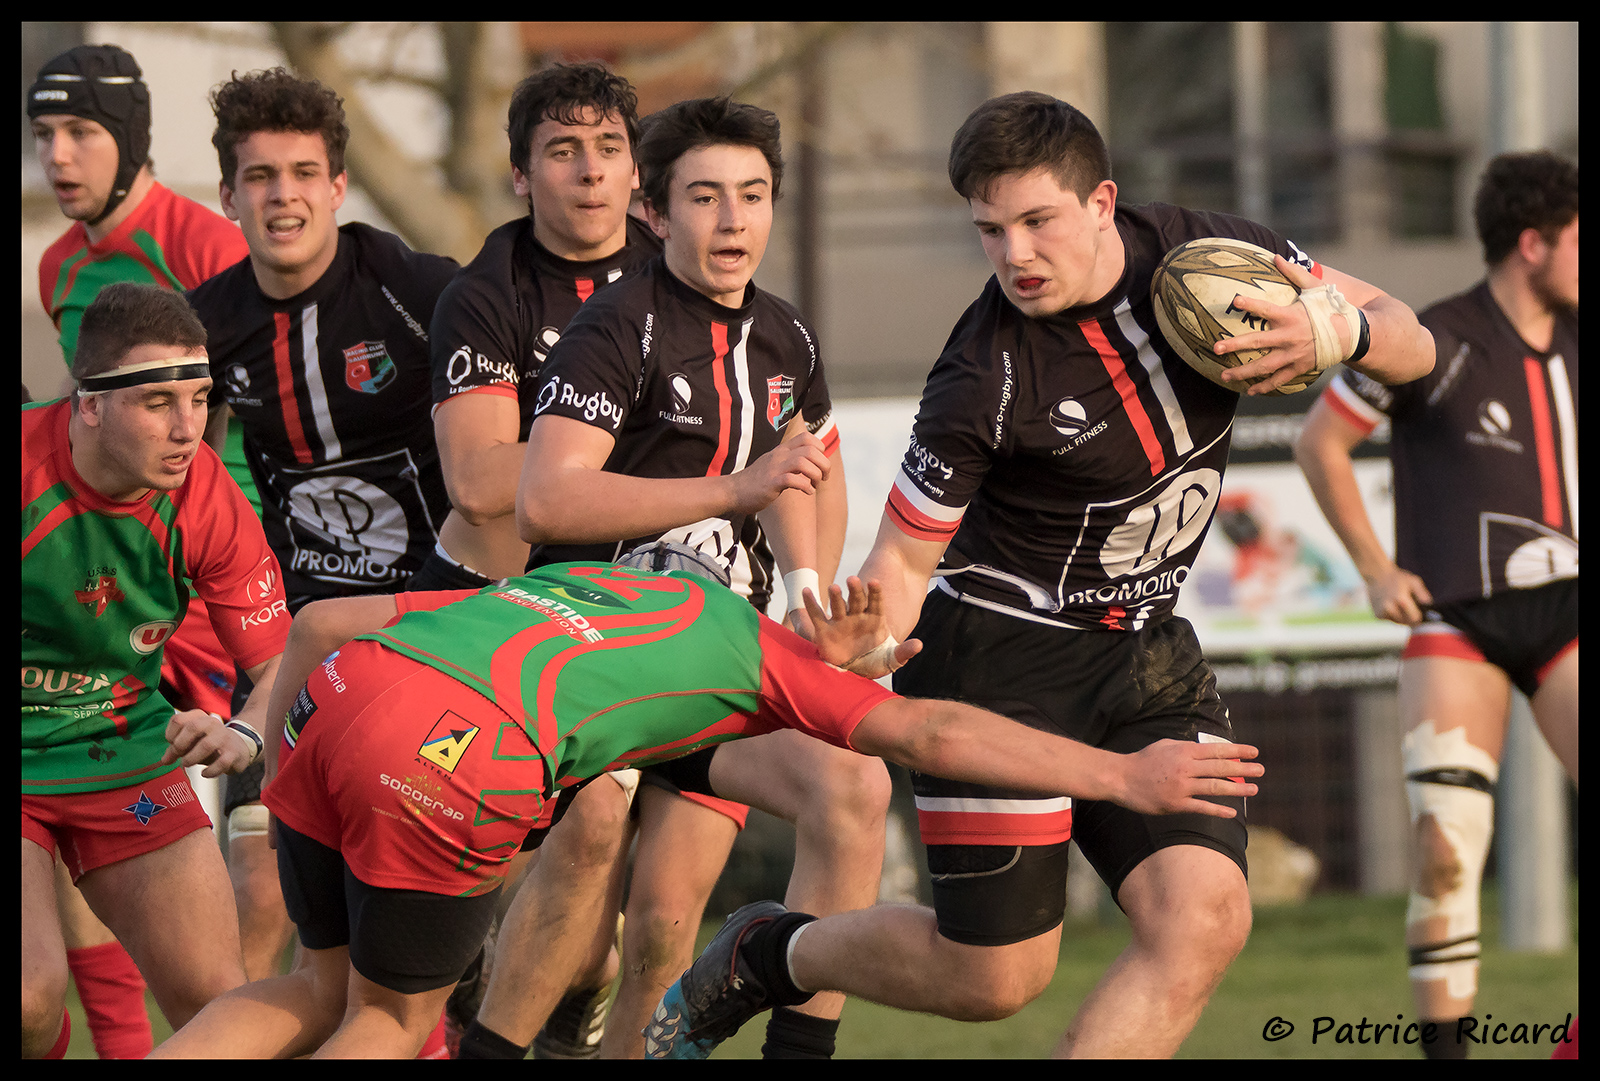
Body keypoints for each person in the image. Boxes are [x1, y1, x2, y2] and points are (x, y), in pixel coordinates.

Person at [645, 90, 1436, 1060]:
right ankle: (774, 951)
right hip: (997, 664)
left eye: (1036, 221)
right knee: (991, 981)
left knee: (1205, 916)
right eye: (989, 230)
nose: (1013, 253)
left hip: (1140, 652)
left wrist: (1342, 334)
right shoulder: (983, 376)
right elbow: (901, 556)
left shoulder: (1205, 255)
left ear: (1101, 203)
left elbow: (1411, 335)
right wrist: (862, 644)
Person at [147, 547, 1262, 1060]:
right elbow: (930, 733)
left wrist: (253, 729)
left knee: (315, 985)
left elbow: (332, 623)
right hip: (447, 751)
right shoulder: (763, 661)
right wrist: (1120, 774)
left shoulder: (609, 587)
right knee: (388, 1025)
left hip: (336, 707)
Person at [463, 96, 872, 1062]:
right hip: (592, 655)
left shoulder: (788, 340)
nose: (733, 221)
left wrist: (814, 599)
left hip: (709, 656)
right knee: (597, 820)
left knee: (845, 790)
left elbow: (802, 477)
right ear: (656, 212)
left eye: (753, 195)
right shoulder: (618, 326)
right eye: (705, 198)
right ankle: (489, 1044)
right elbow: (544, 506)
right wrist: (737, 483)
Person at [1294, 150, 1577, 1060]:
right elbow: (1319, 442)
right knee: (1446, 846)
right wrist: (1377, 569)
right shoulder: (1435, 340)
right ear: (1532, 244)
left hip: (1569, 612)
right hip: (1455, 619)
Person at [185, 67, 459, 989]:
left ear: (338, 186)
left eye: (304, 173)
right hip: (296, 634)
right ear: (228, 194)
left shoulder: (414, 290)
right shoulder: (209, 325)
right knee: (259, 872)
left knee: (406, 884)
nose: (283, 195)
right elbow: (174, 485)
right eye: (260, 177)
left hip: (436, 622)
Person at [418, 61, 668, 1055]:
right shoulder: (486, 296)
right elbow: (480, 482)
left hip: (636, 609)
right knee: (529, 858)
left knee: (616, 883)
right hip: (497, 604)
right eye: (562, 152)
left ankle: (577, 1006)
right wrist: (626, 432)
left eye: (608, 149)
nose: (590, 173)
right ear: (522, 174)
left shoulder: (679, 263)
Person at [27, 46, 253, 1057]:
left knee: (244, 876)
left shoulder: (204, 244)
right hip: (90, 565)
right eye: (43, 138)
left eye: (81, 133)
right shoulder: (59, 264)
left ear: (131, 140)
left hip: (204, 574)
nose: (59, 159)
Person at [22, 282, 289, 1058]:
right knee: (29, 1000)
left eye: (200, 398)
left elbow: (279, 664)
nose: (186, 429)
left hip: (127, 754)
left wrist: (243, 728)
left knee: (221, 1010)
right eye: (157, 402)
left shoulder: (205, 493)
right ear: (89, 405)